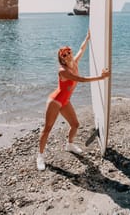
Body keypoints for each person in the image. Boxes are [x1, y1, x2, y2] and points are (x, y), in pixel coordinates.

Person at [37, 30, 110, 171]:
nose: (68, 55)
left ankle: (69, 145)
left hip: (65, 101)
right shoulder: (62, 71)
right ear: (62, 59)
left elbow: (82, 49)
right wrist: (101, 77)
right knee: (47, 129)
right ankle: (40, 156)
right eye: (64, 55)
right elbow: (81, 80)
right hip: (55, 101)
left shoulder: (74, 62)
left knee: (75, 124)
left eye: (68, 52)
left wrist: (88, 38)